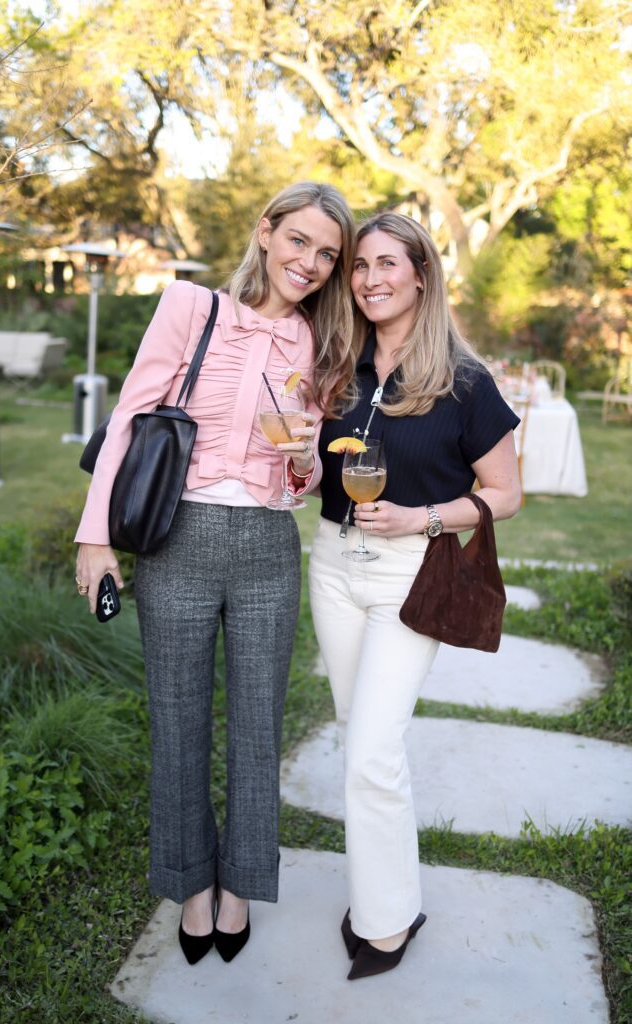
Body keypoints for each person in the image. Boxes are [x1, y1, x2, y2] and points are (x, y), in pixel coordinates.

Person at [74, 182, 355, 965]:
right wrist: (95, 539)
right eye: (298, 241)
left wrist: (303, 460)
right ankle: (191, 886)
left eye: (326, 253)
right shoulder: (189, 309)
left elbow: (302, 485)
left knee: (258, 728)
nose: (310, 262)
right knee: (177, 719)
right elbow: (131, 416)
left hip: (269, 546)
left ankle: (240, 888)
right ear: (265, 233)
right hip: (179, 538)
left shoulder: (319, 343)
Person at [308, 211, 521, 981]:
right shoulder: (338, 361)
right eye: (358, 266)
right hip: (331, 565)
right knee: (360, 740)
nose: (368, 279)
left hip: (409, 576)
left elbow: (504, 494)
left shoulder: (463, 381)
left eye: (386, 264)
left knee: (370, 751)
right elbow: (314, 467)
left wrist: (421, 517)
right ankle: (383, 892)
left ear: (420, 276)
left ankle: (387, 921)